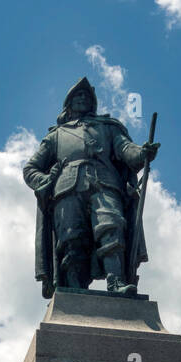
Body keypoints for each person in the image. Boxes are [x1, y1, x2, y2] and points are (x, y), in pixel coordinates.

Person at [23, 76, 159, 298]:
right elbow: (30, 169)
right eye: (78, 95)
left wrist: (142, 153)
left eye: (86, 95)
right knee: (71, 238)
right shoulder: (56, 135)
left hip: (104, 182)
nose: (82, 97)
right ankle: (74, 290)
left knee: (112, 226)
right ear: (68, 103)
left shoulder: (108, 128)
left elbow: (126, 150)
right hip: (66, 189)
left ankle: (116, 281)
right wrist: (46, 181)